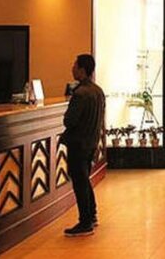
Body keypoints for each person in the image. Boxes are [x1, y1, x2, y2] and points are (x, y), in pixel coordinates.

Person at [60, 54, 105, 237]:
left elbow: (69, 121)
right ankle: (91, 215)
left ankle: (85, 222)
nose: (72, 68)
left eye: (75, 65)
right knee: (84, 179)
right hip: (91, 142)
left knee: (80, 181)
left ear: (82, 69)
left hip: (78, 143)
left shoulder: (80, 94)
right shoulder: (98, 91)